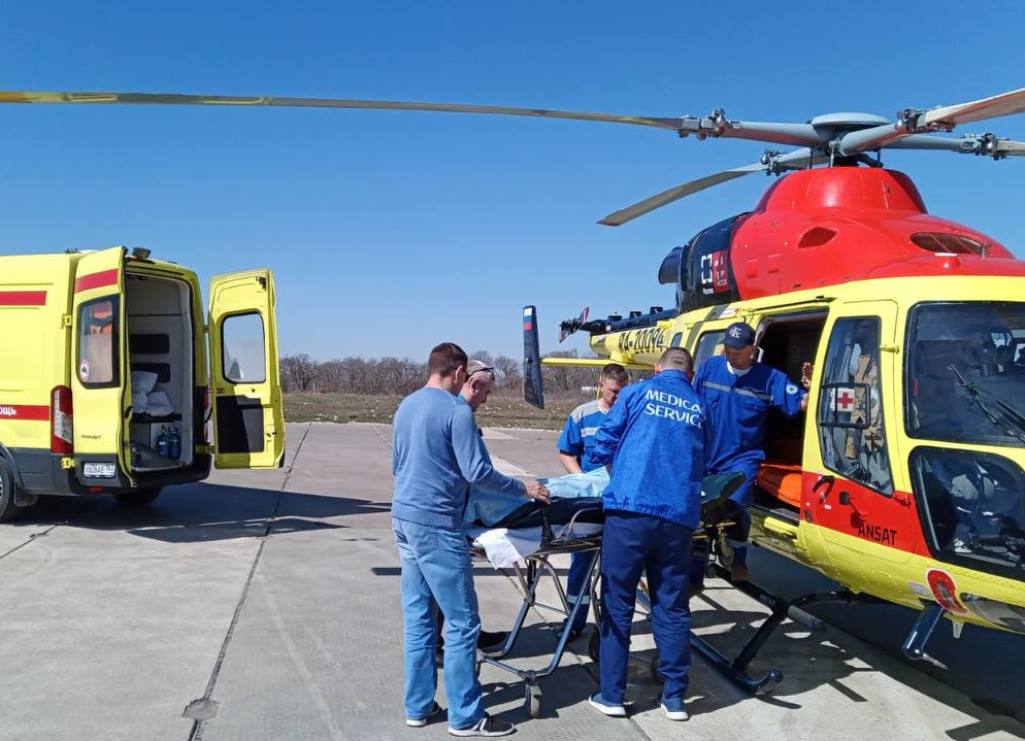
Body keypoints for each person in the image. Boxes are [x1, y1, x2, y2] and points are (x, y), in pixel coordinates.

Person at [391, 342, 550, 736]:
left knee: (420, 619)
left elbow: (397, 464)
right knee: (463, 624)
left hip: (404, 519)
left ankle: (419, 706)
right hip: (437, 526)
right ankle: (465, 716)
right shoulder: (455, 411)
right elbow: (478, 472)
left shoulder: (406, 405)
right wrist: (524, 488)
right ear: (460, 372)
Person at [587, 348, 704, 722]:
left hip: (630, 511)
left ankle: (612, 695)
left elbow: (605, 439)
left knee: (618, 602)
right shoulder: (701, 407)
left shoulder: (637, 393)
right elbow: (705, 458)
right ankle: (674, 698)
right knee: (671, 605)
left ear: (657, 369)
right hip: (677, 519)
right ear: (690, 374)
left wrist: (613, 468)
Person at [691, 322, 811, 586]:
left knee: (736, 507)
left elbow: (802, 403)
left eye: (736, 349)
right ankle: (695, 568)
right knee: (696, 512)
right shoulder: (710, 368)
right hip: (706, 454)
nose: (730, 352)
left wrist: (813, 388)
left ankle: (738, 558)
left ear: (752, 350)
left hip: (741, 457)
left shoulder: (770, 378)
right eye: (727, 347)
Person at [555, 363, 629, 640]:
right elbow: (566, 452)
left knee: (615, 568)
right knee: (581, 566)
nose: (618, 398)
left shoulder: (631, 416)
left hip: (620, 501)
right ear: (601, 384)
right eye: (613, 392)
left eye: (623, 392)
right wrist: (582, 481)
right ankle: (574, 621)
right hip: (589, 502)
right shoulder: (582, 415)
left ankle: (610, 626)